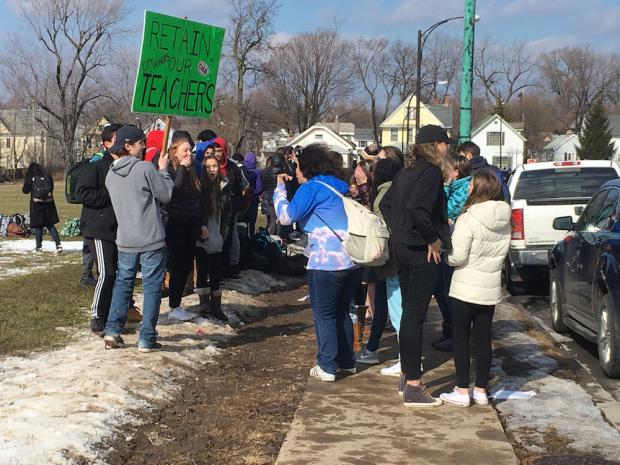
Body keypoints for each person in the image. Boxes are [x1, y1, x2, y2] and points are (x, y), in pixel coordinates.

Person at [274, 143, 360, 382]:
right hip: (350, 259)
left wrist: (279, 189)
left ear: (307, 167)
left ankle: (327, 365)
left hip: (325, 261)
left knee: (324, 313)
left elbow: (286, 216)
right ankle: (347, 361)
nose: (295, 170)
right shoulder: (339, 185)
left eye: (297, 165)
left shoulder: (312, 188)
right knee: (343, 310)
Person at [380, 124, 452, 407]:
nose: (448, 148)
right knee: (414, 316)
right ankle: (412, 385)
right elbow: (418, 209)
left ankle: (407, 376)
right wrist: (432, 239)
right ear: (435, 145)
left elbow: (387, 204)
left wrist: (399, 230)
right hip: (421, 251)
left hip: (402, 247)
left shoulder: (406, 171)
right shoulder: (431, 172)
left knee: (409, 315)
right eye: (445, 143)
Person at [439, 171, 510, 407]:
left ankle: (461, 391)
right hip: (489, 288)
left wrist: (445, 256)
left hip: (465, 287)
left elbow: (458, 256)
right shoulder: (504, 219)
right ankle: (480, 390)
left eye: (470, 185)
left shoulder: (468, 218)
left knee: (461, 338)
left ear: (477, 189)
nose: (467, 188)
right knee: (483, 339)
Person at [102, 125, 174, 352]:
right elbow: (166, 194)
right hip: (150, 238)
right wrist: (163, 171)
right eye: (140, 143)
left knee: (123, 284)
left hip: (125, 239)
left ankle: (113, 331)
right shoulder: (145, 168)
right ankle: (147, 338)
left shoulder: (111, 174)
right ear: (128, 146)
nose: (144, 147)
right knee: (152, 288)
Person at [76, 122, 136, 334]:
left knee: (120, 274)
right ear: (107, 144)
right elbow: (81, 193)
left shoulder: (127, 166)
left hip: (120, 229)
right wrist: (111, 195)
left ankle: (116, 316)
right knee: (106, 273)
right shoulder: (98, 166)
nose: (122, 144)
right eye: (117, 140)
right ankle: (97, 316)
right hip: (99, 229)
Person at [356, 154, 404, 371]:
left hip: (391, 259)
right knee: (390, 307)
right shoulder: (399, 189)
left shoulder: (384, 194)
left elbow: (381, 226)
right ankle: (378, 349)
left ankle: (408, 361)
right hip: (395, 259)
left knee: (398, 311)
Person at [432, 154, 472, 352]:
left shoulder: (463, 189)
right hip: (446, 246)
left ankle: (455, 336)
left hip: (454, 247)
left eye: (447, 168)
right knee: (440, 291)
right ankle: (449, 331)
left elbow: (446, 211)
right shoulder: (456, 187)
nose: (444, 171)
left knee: (448, 293)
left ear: (456, 171)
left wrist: (445, 187)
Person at [163, 134, 202, 322]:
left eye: (190, 150)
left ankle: (176, 304)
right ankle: (173, 305)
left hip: (189, 223)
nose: (189, 154)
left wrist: (200, 223)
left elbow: (195, 198)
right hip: (174, 224)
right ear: (175, 152)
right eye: (185, 150)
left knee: (187, 265)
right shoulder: (169, 170)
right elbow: (173, 192)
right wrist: (183, 170)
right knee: (177, 265)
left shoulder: (192, 170)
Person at [195, 155, 234, 322]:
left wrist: (224, 235)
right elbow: (196, 210)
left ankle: (216, 306)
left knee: (216, 272)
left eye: (214, 166)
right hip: (203, 235)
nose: (212, 169)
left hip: (217, 234)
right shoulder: (199, 187)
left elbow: (228, 214)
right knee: (203, 270)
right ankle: (204, 304)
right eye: (208, 166)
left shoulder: (224, 187)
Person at [22, 162, 62, 253]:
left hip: (36, 205)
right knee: (50, 225)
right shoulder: (47, 175)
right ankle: (58, 245)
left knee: (38, 226)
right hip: (49, 204)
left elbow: (25, 191)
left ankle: (38, 247)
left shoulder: (31, 176)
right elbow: (51, 188)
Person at [261, 151, 285, 235]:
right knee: (277, 220)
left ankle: (269, 236)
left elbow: (262, 184)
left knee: (271, 219)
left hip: (267, 197)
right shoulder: (284, 171)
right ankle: (274, 236)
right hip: (278, 198)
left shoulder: (264, 171)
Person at [241, 151, 262, 238]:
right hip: (253, 199)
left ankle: (242, 237)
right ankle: (251, 238)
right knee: (252, 221)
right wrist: (254, 192)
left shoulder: (240, 169)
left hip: (242, 198)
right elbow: (259, 187)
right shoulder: (257, 172)